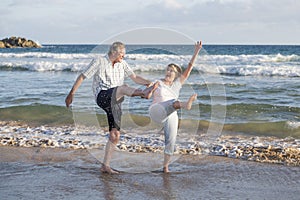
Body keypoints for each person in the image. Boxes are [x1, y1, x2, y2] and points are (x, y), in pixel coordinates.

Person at [65, 41, 153, 174]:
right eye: (122, 54)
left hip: (116, 101)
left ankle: (105, 165)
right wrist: (71, 94)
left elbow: (134, 78)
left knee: (115, 135)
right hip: (103, 96)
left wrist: (148, 82)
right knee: (123, 88)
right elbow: (82, 76)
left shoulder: (122, 64)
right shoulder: (99, 61)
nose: (123, 56)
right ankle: (143, 94)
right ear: (114, 52)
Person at [147, 41, 202, 173]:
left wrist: (196, 52)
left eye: (172, 70)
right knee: (173, 102)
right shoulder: (157, 82)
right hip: (157, 110)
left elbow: (188, 69)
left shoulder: (177, 85)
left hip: (171, 113)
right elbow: (147, 96)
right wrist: (150, 90)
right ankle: (185, 105)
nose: (169, 71)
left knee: (171, 141)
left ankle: (165, 167)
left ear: (176, 75)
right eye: (168, 69)